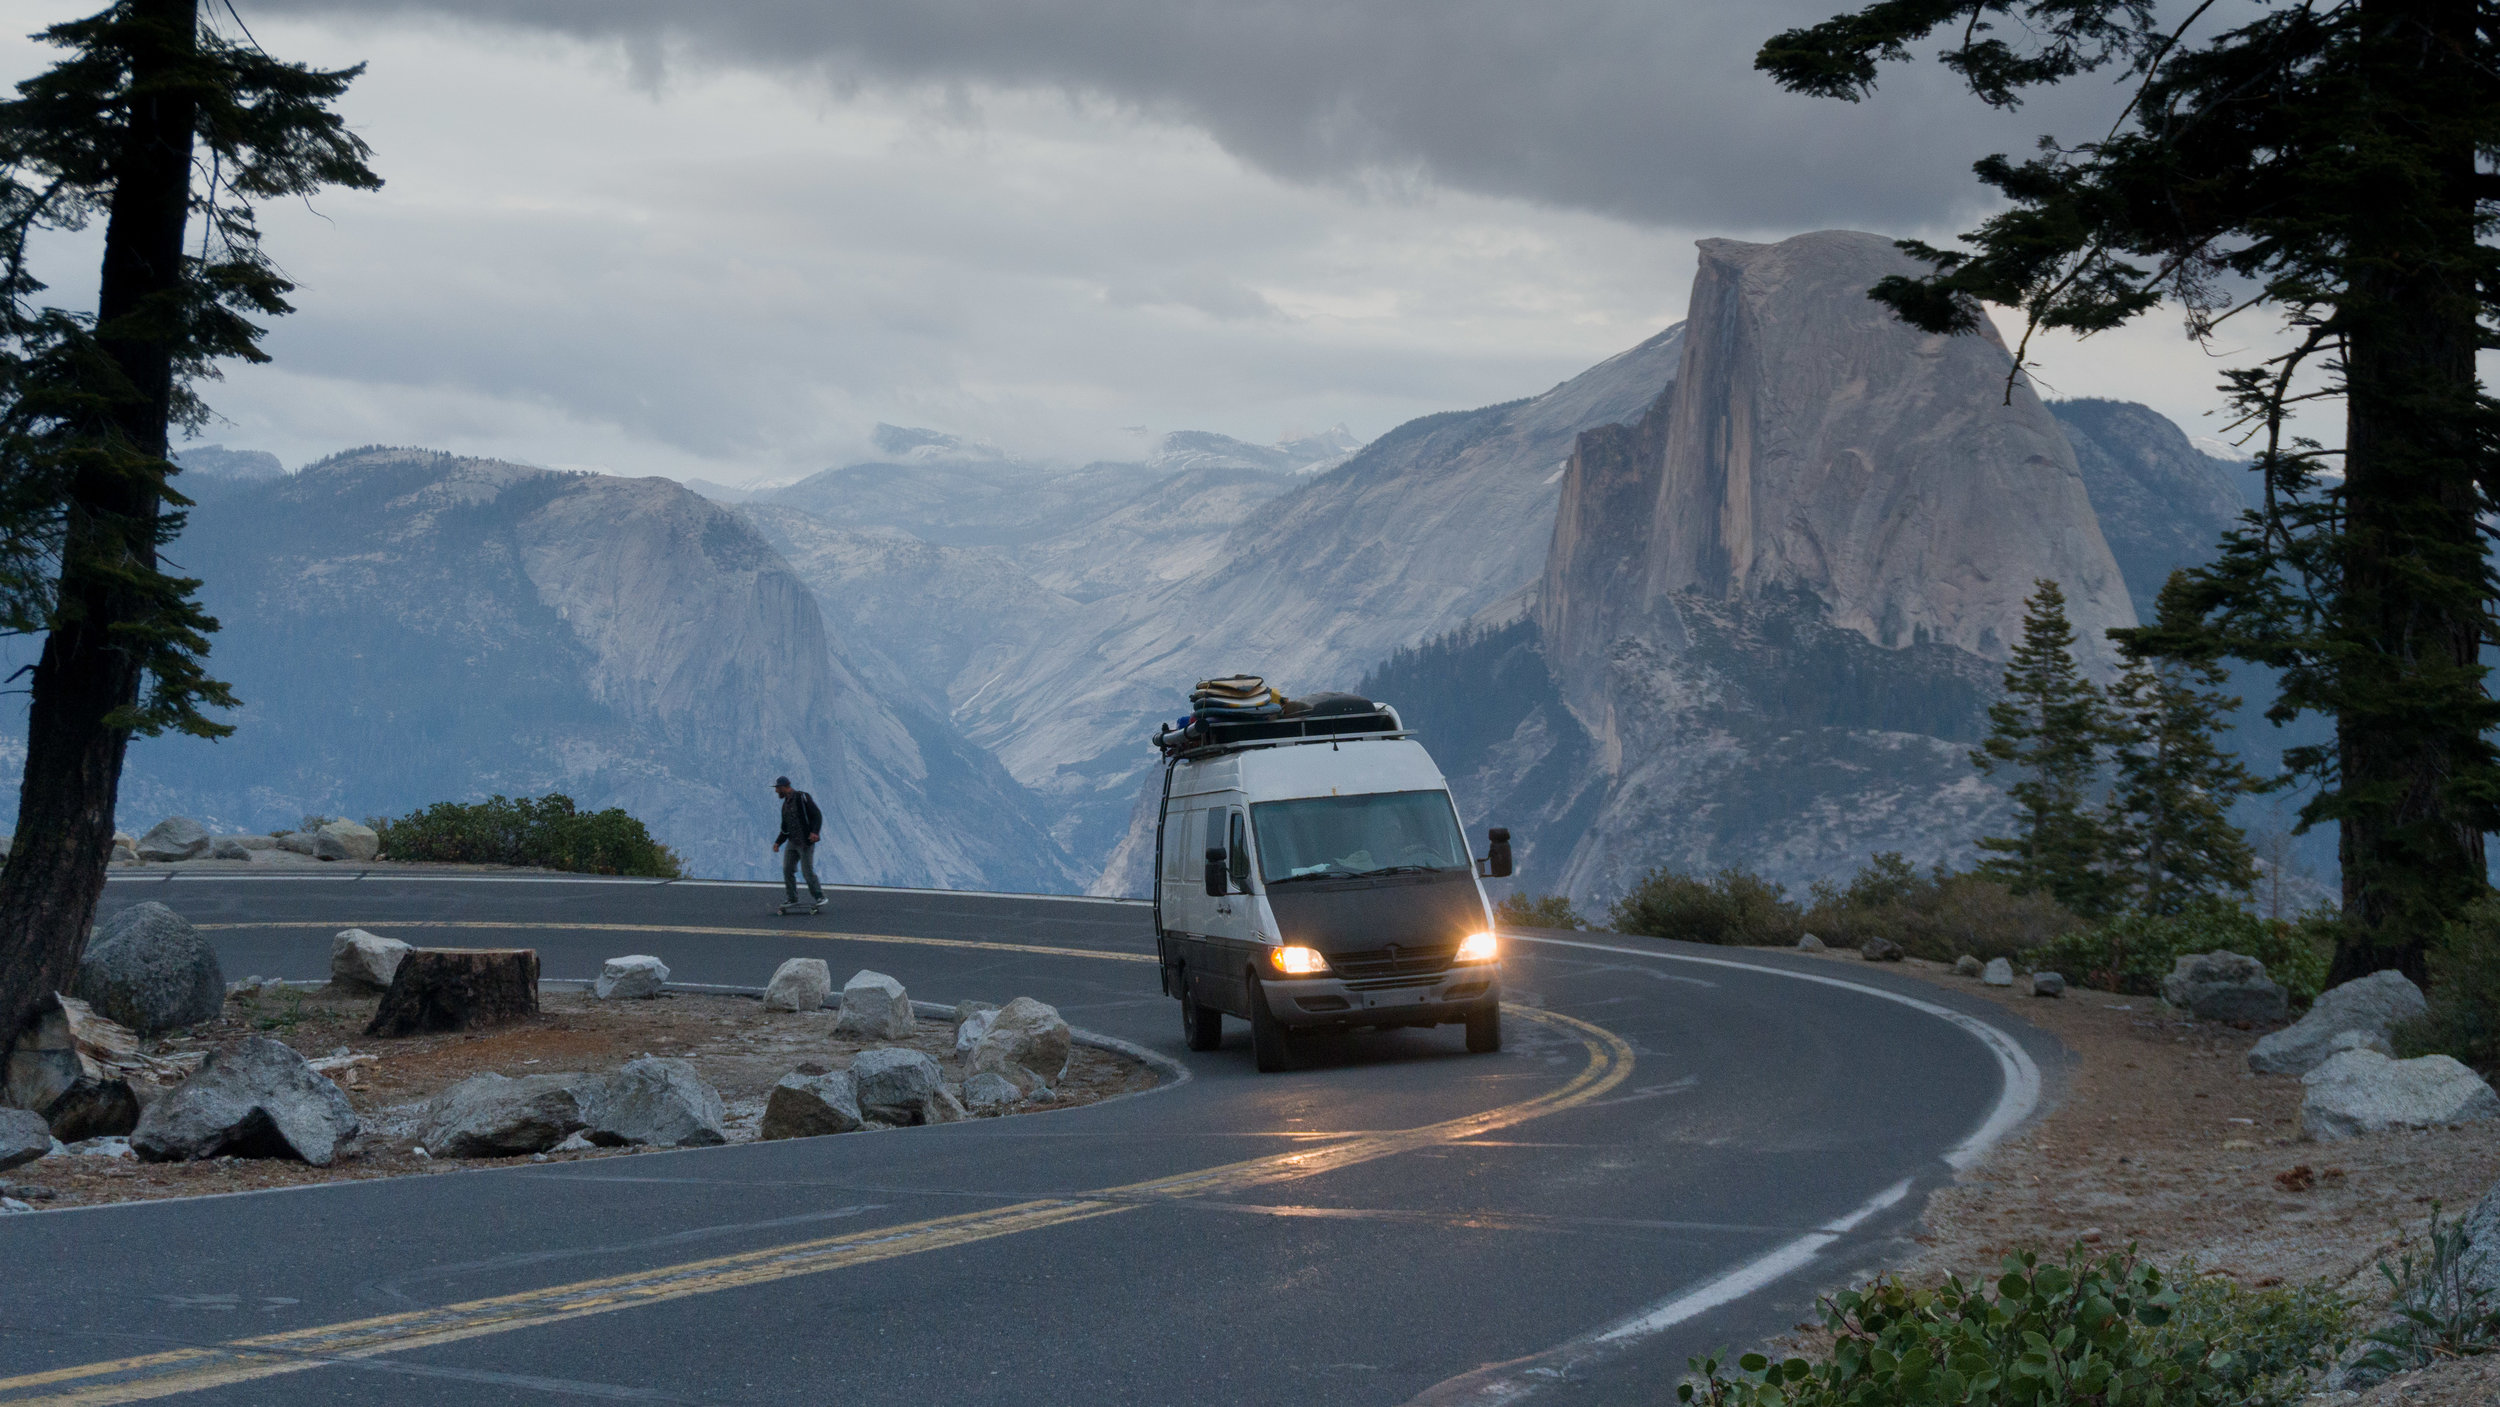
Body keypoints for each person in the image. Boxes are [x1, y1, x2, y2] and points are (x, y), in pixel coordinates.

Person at [772, 775, 824, 907]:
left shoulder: (802, 797)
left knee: (807, 871)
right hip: (792, 842)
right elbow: (785, 828)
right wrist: (778, 842)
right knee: (787, 869)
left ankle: (819, 896)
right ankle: (792, 898)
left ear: (784, 787)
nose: (776, 791)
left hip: (805, 842)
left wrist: (815, 832)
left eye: (777, 788)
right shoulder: (785, 805)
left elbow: (817, 815)